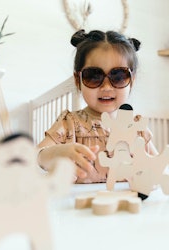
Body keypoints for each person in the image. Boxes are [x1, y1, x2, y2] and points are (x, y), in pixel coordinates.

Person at [37, 29, 158, 184]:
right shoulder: (69, 124)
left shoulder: (137, 128)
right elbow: (35, 156)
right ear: (77, 79)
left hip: (126, 203)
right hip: (78, 206)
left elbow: (159, 168)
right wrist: (53, 154)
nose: (106, 87)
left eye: (119, 76)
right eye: (94, 76)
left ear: (131, 80)